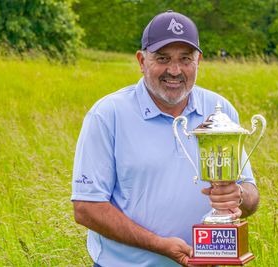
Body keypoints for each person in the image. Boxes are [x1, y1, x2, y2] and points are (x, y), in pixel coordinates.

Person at [71, 10, 260, 267]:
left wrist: (236, 195)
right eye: (162, 58)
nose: (174, 70)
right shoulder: (107, 114)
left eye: (185, 59)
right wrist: (159, 245)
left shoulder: (220, 109)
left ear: (198, 61)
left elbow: (250, 194)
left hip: (208, 264)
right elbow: (86, 207)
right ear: (141, 61)